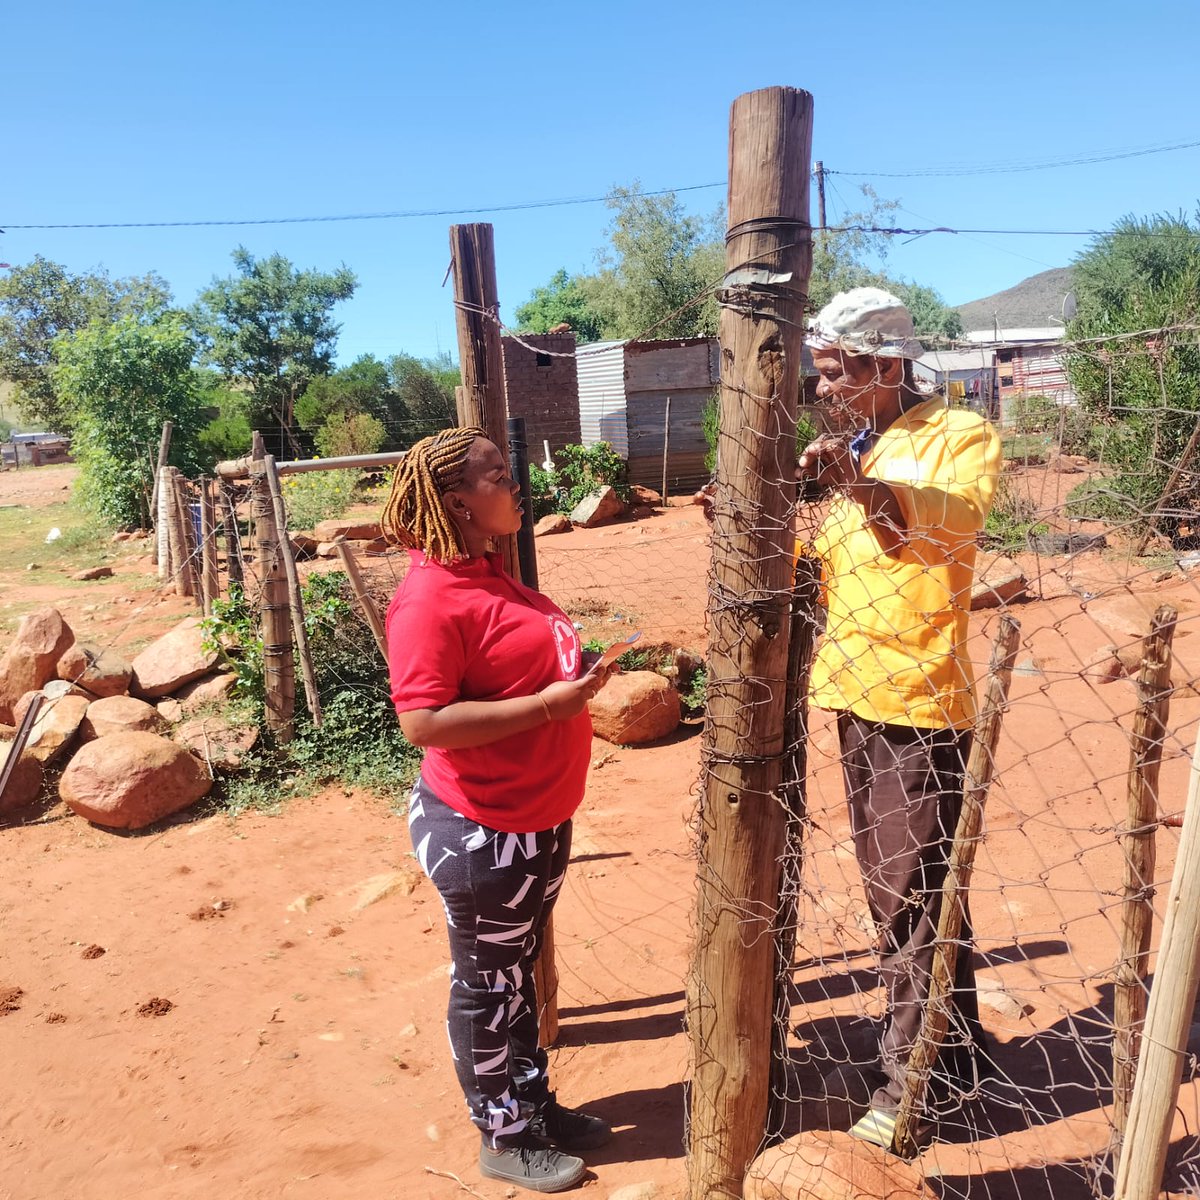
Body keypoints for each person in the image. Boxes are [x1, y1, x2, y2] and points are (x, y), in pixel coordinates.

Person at [382, 425, 615, 1193]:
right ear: (460, 503)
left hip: (535, 816)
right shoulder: (429, 600)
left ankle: (531, 1104)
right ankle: (503, 1136)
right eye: (497, 476)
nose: (514, 484)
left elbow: (510, 672)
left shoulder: (489, 575)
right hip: (484, 830)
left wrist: (569, 676)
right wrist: (551, 708)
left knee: (514, 979)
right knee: (487, 985)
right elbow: (423, 722)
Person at [795, 288, 1002, 1150]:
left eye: (835, 372)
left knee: (907, 897)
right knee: (918, 884)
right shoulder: (858, 442)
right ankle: (955, 1057)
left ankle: (905, 1084)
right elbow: (832, 563)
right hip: (854, 688)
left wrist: (862, 485)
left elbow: (944, 531)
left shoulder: (960, 437)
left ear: (886, 365)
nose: (823, 388)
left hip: (916, 699)